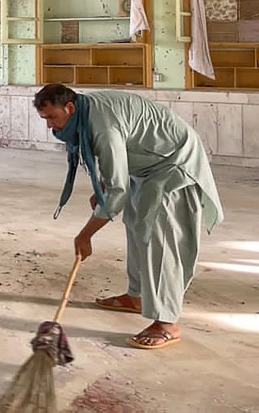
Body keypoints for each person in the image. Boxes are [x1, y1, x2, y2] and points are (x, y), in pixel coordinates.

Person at [33, 83, 225, 350]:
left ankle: (167, 322)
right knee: (136, 223)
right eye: (45, 119)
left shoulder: (102, 125)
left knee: (159, 237)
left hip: (173, 162)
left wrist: (85, 236)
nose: (51, 126)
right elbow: (116, 162)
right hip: (147, 164)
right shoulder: (87, 111)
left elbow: (117, 192)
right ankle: (137, 296)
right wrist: (103, 186)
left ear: (70, 107)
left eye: (52, 117)